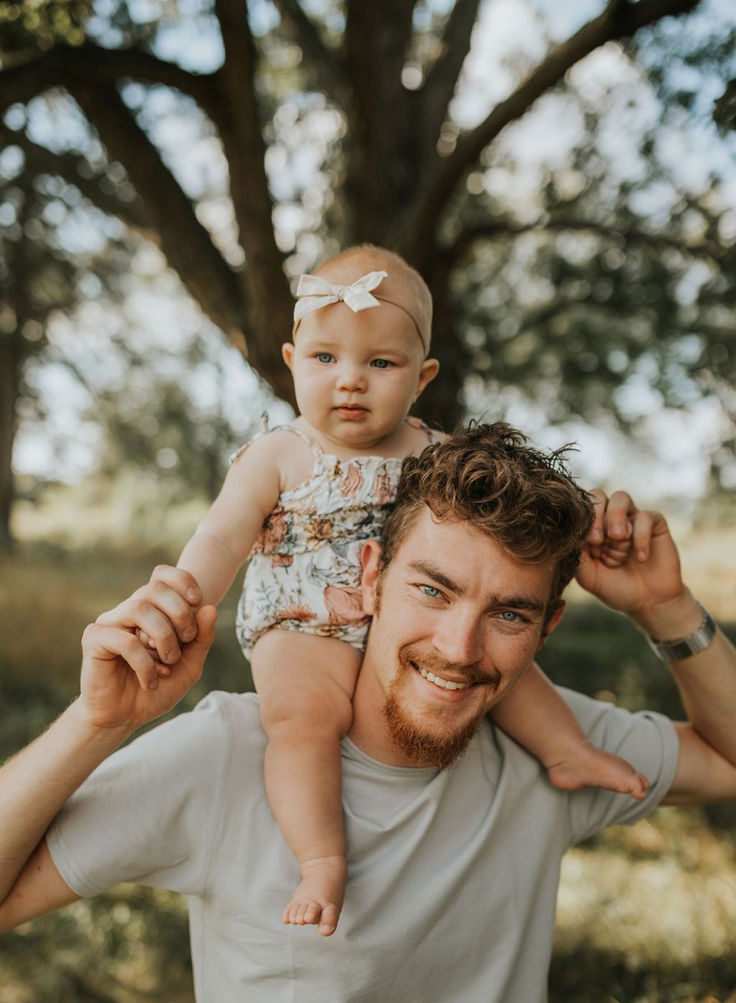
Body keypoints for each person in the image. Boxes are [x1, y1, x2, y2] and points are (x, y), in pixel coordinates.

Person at [1, 422, 735, 1003]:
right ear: (371, 574)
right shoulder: (230, 754)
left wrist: (665, 608)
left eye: (509, 613)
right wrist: (97, 724)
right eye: (431, 590)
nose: (458, 648)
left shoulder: (551, 746)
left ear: (549, 627)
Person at [154, 244, 647, 937]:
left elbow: (506, 499)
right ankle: (322, 857)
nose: (350, 382)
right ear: (293, 363)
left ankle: (566, 751)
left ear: (422, 378)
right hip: (305, 620)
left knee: (510, 666)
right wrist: (182, 597)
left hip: (408, 613)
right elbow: (223, 536)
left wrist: (584, 510)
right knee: (301, 722)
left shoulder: (436, 451)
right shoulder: (281, 453)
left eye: (380, 364)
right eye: (326, 360)